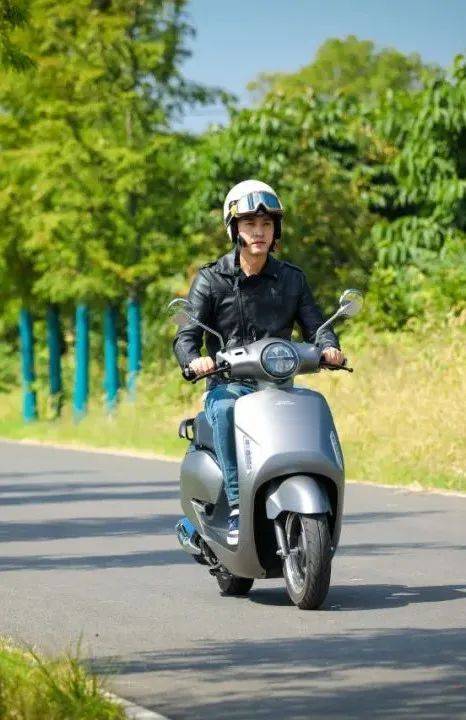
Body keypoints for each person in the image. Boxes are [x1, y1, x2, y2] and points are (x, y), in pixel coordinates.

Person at [173, 179, 345, 545]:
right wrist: (195, 361)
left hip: (277, 382)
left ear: (276, 230)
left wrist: (329, 347)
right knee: (225, 409)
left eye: (267, 224)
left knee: (311, 406)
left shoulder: (291, 279)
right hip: (228, 384)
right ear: (234, 228)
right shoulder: (211, 279)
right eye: (250, 223)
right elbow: (187, 336)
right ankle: (237, 505)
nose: (259, 232)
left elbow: (317, 327)